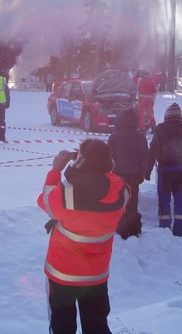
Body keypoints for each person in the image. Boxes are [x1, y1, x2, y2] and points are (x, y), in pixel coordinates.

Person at [37, 139, 130, 334]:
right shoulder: (120, 189)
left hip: (62, 274)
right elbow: (113, 188)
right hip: (96, 276)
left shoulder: (66, 190)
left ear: (81, 160)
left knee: (62, 326)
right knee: (96, 326)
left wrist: (56, 170)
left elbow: (44, 201)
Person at [145, 103, 182, 236]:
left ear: (166, 117)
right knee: (180, 197)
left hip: (164, 170)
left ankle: (164, 227)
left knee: (164, 198)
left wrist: (148, 170)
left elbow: (152, 151)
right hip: (181, 169)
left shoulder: (160, 129)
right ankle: (180, 227)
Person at [107, 108, 149, 238]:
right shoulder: (141, 137)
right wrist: (142, 174)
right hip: (134, 177)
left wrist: (109, 174)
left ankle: (120, 229)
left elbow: (109, 157)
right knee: (132, 204)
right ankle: (134, 230)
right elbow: (144, 157)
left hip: (117, 176)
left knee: (118, 204)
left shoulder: (114, 137)